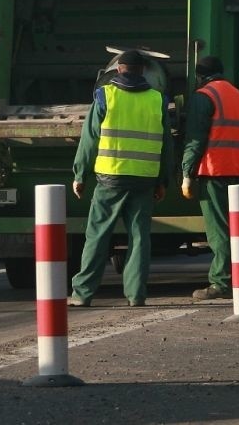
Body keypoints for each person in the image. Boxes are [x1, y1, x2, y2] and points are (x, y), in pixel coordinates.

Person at [69, 50, 173, 307]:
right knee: (139, 237)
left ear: (118, 70)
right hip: (144, 180)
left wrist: (80, 174)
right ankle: (136, 294)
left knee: (98, 235)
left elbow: (89, 139)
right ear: (143, 71)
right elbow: (167, 144)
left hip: (110, 178)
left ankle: (83, 294)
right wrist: (163, 180)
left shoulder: (105, 96)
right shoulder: (157, 99)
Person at [181, 56, 239, 300]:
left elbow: (195, 140)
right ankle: (237, 278)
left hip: (214, 170)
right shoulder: (237, 95)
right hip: (237, 168)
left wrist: (186, 173)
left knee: (218, 230)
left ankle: (221, 282)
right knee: (234, 229)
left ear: (199, 76)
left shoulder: (204, 96)